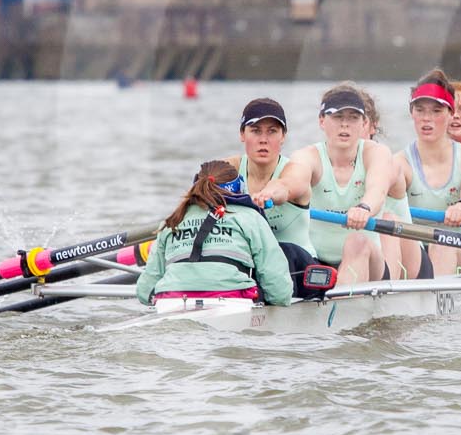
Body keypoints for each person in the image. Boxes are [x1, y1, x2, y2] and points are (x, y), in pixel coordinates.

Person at [254, 82, 405, 286]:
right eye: (337, 117)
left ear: (364, 123)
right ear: (322, 121)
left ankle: (342, 310)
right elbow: (289, 182)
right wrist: (269, 194)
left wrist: (364, 208)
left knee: (357, 242)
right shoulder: (307, 156)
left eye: (353, 118)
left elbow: (377, 189)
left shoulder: (377, 153)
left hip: (370, 264)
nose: (344, 125)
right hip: (317, 263)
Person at [136, 160, 295, 309]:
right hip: (233, 302)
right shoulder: (250, 218)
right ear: (238, 187)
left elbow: (144, 291)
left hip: (171, 302)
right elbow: (280, 291)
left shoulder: (172, 221)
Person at [392, 70, 461, 276]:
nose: (426, 119)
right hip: (417, 253)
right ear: (412, 113)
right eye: (420, 110)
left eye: (436, 111)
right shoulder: (399, 163)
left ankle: (428, 303)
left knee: (443, 240)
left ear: (450, 113)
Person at [231, 96, 313, 263]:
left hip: (297, 266)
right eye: (255, 131)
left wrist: (267, 195)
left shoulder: (297, 170)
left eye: (272, 131)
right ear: (242, 134)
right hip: (250, 264)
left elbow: (284, 186)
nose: (263, 139)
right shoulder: (229, 168)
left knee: (282, 252)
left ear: (283, 136)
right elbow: (199, 191)